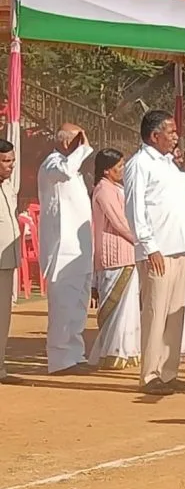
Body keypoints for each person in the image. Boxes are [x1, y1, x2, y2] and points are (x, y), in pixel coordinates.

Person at [125, 110, 185, 395]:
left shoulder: (170, 164)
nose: (176, 136)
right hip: (158, 250)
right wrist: (149, 246)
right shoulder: (139, 164)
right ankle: (150, 374)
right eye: (171, 131)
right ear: (155, 135)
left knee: (175, 315)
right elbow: (135, 210)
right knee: (156, 313)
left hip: (179, 249)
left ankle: (169, 371)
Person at [38, 123, 94, 375]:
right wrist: (82, 149)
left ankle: (75, 355)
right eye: (78, 139)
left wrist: (80, 150)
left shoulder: (74, 168)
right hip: (63, 250)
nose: (83, 143)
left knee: (78, 306)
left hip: (80, 249)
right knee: (63, 307)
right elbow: (65, 171)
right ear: (65, 142)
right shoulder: (52, 164)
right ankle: (60, 359)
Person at [89, 149, 141, 370]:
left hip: (127, 253)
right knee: (115, 308)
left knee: (128, 308)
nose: (123, 169)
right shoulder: (103, 190)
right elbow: (119, 222)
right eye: (119, 166)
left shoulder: (117, 188)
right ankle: (112, 352)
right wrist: (141, 240)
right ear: (106, 170)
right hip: (114, 255)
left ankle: (126, 350)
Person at [0, 140, 20, 384]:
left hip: (7, 261)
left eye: (12, 160)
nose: (11, 165)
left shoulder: (8, 187)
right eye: (5, 161)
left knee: (3, 316)